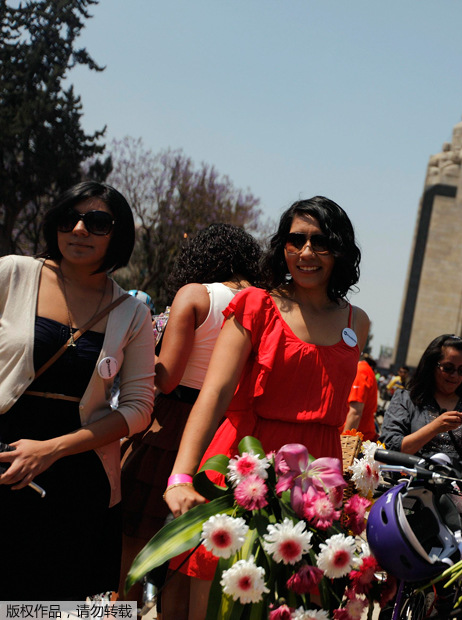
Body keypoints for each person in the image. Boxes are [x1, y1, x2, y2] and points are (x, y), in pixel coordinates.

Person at [164, 196, 369, 618]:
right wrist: (181, 476)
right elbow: (215, 393)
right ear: (282, 246)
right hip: (246, 463)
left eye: (320, 241)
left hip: (317, 477)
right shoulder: (256, 304)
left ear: (340, 251)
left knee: (296, 604)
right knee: (221, 597)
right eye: (296, 240)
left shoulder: (357, 321)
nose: (306, 252)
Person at [0, 181, 155, 600]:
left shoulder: (133, 313)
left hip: (76, 478)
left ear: (118, 234)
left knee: (51, 603)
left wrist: (50, 450)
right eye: (70, 218)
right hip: (3, 457)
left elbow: (139, 409)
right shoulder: (12, 274)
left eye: (97, 222)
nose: (80, 230)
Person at [118, 223, 261, 603]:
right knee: (192, 553)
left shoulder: (196, 296)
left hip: (172, 425)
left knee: (134, 547)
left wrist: (140, 345)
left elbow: (166, 377)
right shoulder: (265, 302)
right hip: (226, 432)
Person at [380, 334, 462, 470]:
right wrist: (435, 427)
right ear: (432, 366)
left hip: (459, 488)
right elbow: (392, 448)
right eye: (448, 368)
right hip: (410, 485)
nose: (455, 375)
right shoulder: (406, 399)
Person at [344, 354, 379, 441]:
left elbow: (355, 413)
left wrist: (344, 444)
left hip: (357, 443)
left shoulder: (360, 371)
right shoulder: (362, 370)